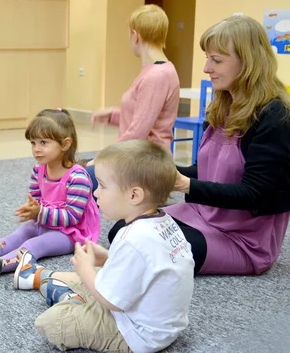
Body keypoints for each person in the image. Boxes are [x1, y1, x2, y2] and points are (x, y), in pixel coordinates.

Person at [121, 14, 290, 275]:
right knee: (124, 231)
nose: (206, 68)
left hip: (244, 240)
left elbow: (255, 194)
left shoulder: (274, 116)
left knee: (149, 246)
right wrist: (163, 171)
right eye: (207, 58)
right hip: (202, 215)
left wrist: (184, 184)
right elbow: (206, 171)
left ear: (248, 63)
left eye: (217, 60)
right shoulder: (225, 105)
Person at [15, 140, 194, 352]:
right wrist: (108, 257)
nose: (96, 193)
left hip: (137, 336)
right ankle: (51, 280)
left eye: (102, 186)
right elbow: (147, 266)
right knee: (99, 272)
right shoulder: (164, 222)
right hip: (164, 325)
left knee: (51, 323)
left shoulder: (131, 238)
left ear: (134, 195)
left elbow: (111, 301)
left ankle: (69, 297)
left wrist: (85, 269)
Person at [0, 109, 101, 281]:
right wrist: (32, 209)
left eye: (44, 143)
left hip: (71, 233)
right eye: (33, 143)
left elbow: (72, 217)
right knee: (19, 235)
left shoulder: (78, 177)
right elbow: (36, 198)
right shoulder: (39, 169)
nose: (36, 149)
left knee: (34, 244)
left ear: (65, 145)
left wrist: (39, 212)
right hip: (45, 220)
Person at [87, 4, 180, 197]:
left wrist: (103, 158)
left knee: (78, 179)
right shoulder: (157, 71)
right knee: (81, 173)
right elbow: (144, 115)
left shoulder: (157, 76)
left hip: (144, 162)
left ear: (135, 35)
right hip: (139, 157)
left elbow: (138, 131)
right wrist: (112, 115)